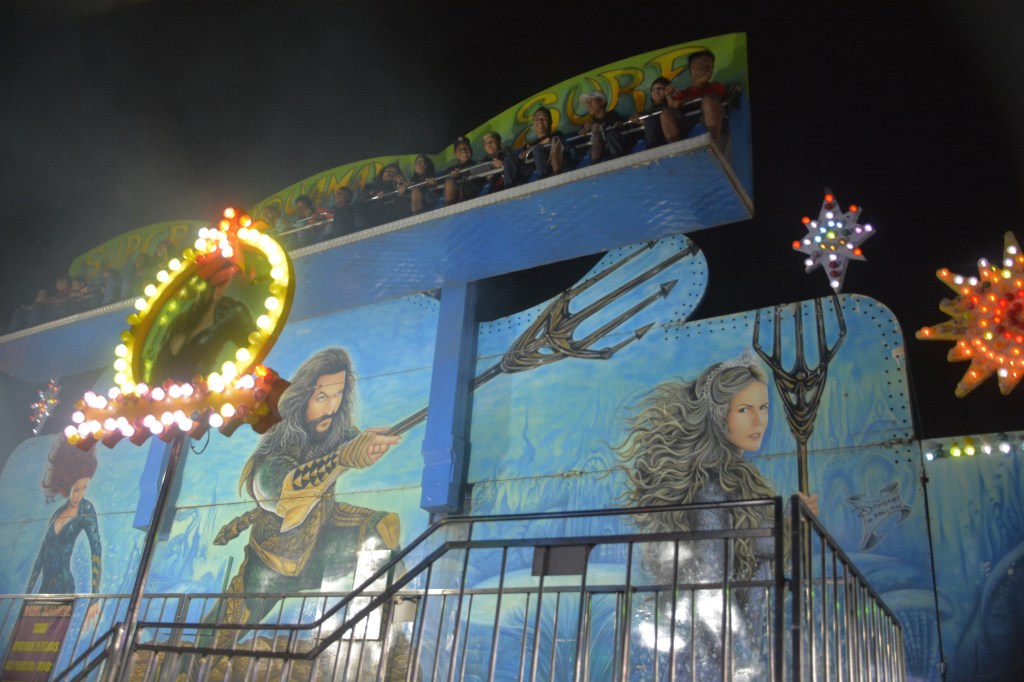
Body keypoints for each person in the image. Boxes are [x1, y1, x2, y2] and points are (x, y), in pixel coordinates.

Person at [617, 351, 817, 678]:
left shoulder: (735, 478)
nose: (759, 420)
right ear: (718, 414)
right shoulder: (712, 485)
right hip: (720, 650)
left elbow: (754, 547)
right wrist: (741, 659)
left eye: (764, 408)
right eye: (744, 409)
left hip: (733, 637)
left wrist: (792, 520)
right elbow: (710, 578)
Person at [210, 347, 402, 628]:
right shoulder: (277, 445)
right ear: (302, 399)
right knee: (221, 631)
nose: (332, 407)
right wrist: (341, 459)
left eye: (338, 395)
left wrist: (366, 445)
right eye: (322, 397)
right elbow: (284, 494)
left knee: (382, 528)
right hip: (276, 556)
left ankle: (382, 633)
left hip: (324, 536)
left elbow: (354, 445)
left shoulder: (338, 430)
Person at [26, 441, 102, 628]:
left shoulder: (86, 509)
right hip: (43, 591)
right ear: (68, 487)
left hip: (64, 588)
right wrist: (26, 596)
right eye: (76, 490)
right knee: (30, 639)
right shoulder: (57, 513)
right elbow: (40, 558)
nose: (79, 495)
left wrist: (94, 599)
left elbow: (96, 551)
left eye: (84, 488)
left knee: (51, 638)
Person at [149, 274, 256, 384]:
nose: (213, 292)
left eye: (220, 284)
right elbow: (159, 365)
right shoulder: (180, 321)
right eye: (208, 285)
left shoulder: (231, 311)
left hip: (203, 390)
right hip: (164, 390)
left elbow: (256, 348)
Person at [671, 50, 728, 146]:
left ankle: (713, 146)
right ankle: (675, 150)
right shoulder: (681, 94)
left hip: (710, 122)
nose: (710, 69)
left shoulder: (716, 87)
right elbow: (673, 108)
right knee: (666, 114)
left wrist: (687, 101)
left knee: (709, 100)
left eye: (712, 67)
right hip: (686, 125)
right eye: (706, 65)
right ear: (693, 67)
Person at [518, 107, 571, 179]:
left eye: (543, 118)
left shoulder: (557, 136)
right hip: (533, 179)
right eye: (536, 119)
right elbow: (518, 159)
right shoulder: (529, 145)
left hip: (555, 177)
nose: (539, 120)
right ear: (533, 123)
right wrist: (537, 145)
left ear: (550, 122)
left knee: (537, 149)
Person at [576, 90, 628, 162]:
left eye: (591, 101)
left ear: (602, 102)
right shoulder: (588, 125)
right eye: (587, 103)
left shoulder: (615, 118)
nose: (588, 105)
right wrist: (583, 132)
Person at [633, 76, 684, 148]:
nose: (656, 91)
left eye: (660, 88)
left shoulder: (673, 102)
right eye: (653, 89)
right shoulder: (646, 112)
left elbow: (672, 111)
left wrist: (668, 96)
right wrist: (636, 120)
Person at [444, 137, 487, 206]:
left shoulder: (479, 164)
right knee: (449, 181)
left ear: (471, 151)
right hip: (456, 203)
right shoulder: (449, 170)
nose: (464, 150)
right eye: (460, 149)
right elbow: (439, 184)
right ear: (455, 154)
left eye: (466, 147)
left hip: (475, 197)